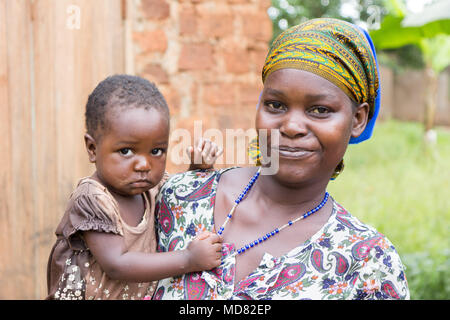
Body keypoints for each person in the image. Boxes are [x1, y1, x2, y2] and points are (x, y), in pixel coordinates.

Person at [152, 18, 410, 300]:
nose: (291, 126)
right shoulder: (180, 198)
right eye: (276, 105)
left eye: (320, 110)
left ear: (357, 120)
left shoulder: (367, 263)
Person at [46, 75, 223, 300]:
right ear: (92, 148)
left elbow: (180, 203)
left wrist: (197, 168)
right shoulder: (92, 199)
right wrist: (188, 259)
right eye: (126, 151)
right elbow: (117, 264)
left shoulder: (153, 189)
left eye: (156, 151)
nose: (144, 165)